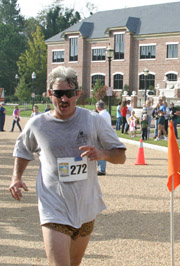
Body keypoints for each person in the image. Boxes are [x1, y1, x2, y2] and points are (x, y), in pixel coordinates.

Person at [9, 66, 126, 266]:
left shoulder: (92, 120)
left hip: (85, 206)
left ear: (77, 94)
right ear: (49, 94)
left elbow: (121, 155)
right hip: (53, 207)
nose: (64, 99)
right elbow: (22, 150)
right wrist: (16, 177)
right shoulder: (38, 124)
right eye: (59, 93)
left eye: (69, 94)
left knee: (73, 263)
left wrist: (102, 154)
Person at [96, 100, 112, 176]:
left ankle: (102, 169)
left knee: (100, 151)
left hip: (102, 135)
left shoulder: (101, 115)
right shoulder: (106, 113)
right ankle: (101, 168)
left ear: (98, 107)